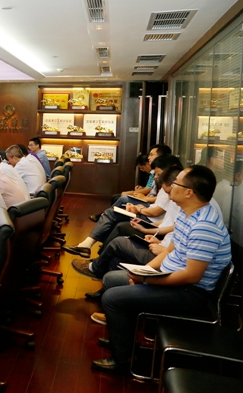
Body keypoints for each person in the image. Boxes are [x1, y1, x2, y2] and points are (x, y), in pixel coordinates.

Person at [92, 165, 231, 374]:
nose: (171, 186)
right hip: (171, 279)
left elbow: (192, 276)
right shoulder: (188, 213)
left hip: (191, 294)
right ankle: (123, 341)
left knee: (112, 298)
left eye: (176, 183)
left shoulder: (204, 225)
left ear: (189, 192)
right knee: (112, 279)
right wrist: (142, 272)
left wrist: (146, 280)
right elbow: (170, 251)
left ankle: (124, 361)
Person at [65, 155, 182, 258]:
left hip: (150, 219)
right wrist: (139, 208)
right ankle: (96, 251)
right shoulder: (166, 187)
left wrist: (140, 210)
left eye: (158, 174)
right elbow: (162, 214)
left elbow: (156, 212)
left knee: (116, 214)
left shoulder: (172, 190)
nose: (155, 177)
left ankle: (94, 251)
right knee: (117, 209)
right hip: (150, 218)